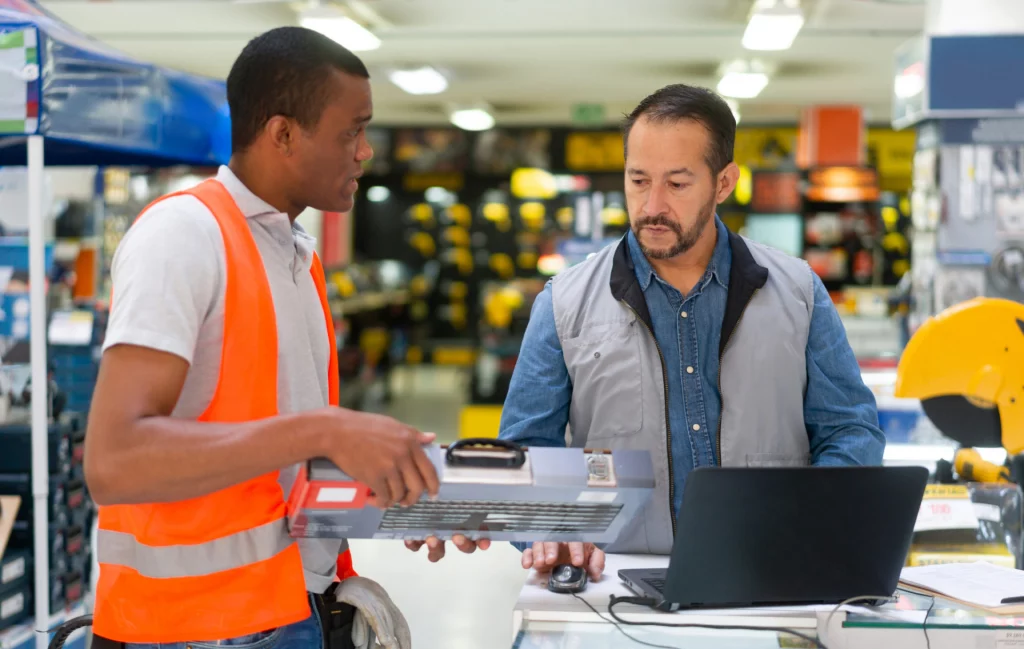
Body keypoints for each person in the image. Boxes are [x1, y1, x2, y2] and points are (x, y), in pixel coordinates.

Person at [84, 27, 439, 647]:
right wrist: (326, 429)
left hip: (287, 608)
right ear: (283, 134)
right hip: (194, 627)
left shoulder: (294, 255)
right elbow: (114, 462)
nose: (365, 153)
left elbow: (266, 463)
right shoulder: (183, 234)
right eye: (351, 131)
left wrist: (390, 490)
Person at [497, 84, 886, 580]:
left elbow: (850, 430)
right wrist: (552, 534)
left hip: (768, 574)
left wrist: (806, 519)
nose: (652, 204)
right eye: (638, 180)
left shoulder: (799, 294)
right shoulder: (564, 302)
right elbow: (526, 452)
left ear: (723, 183)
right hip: (611, 582)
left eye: (677, 184)